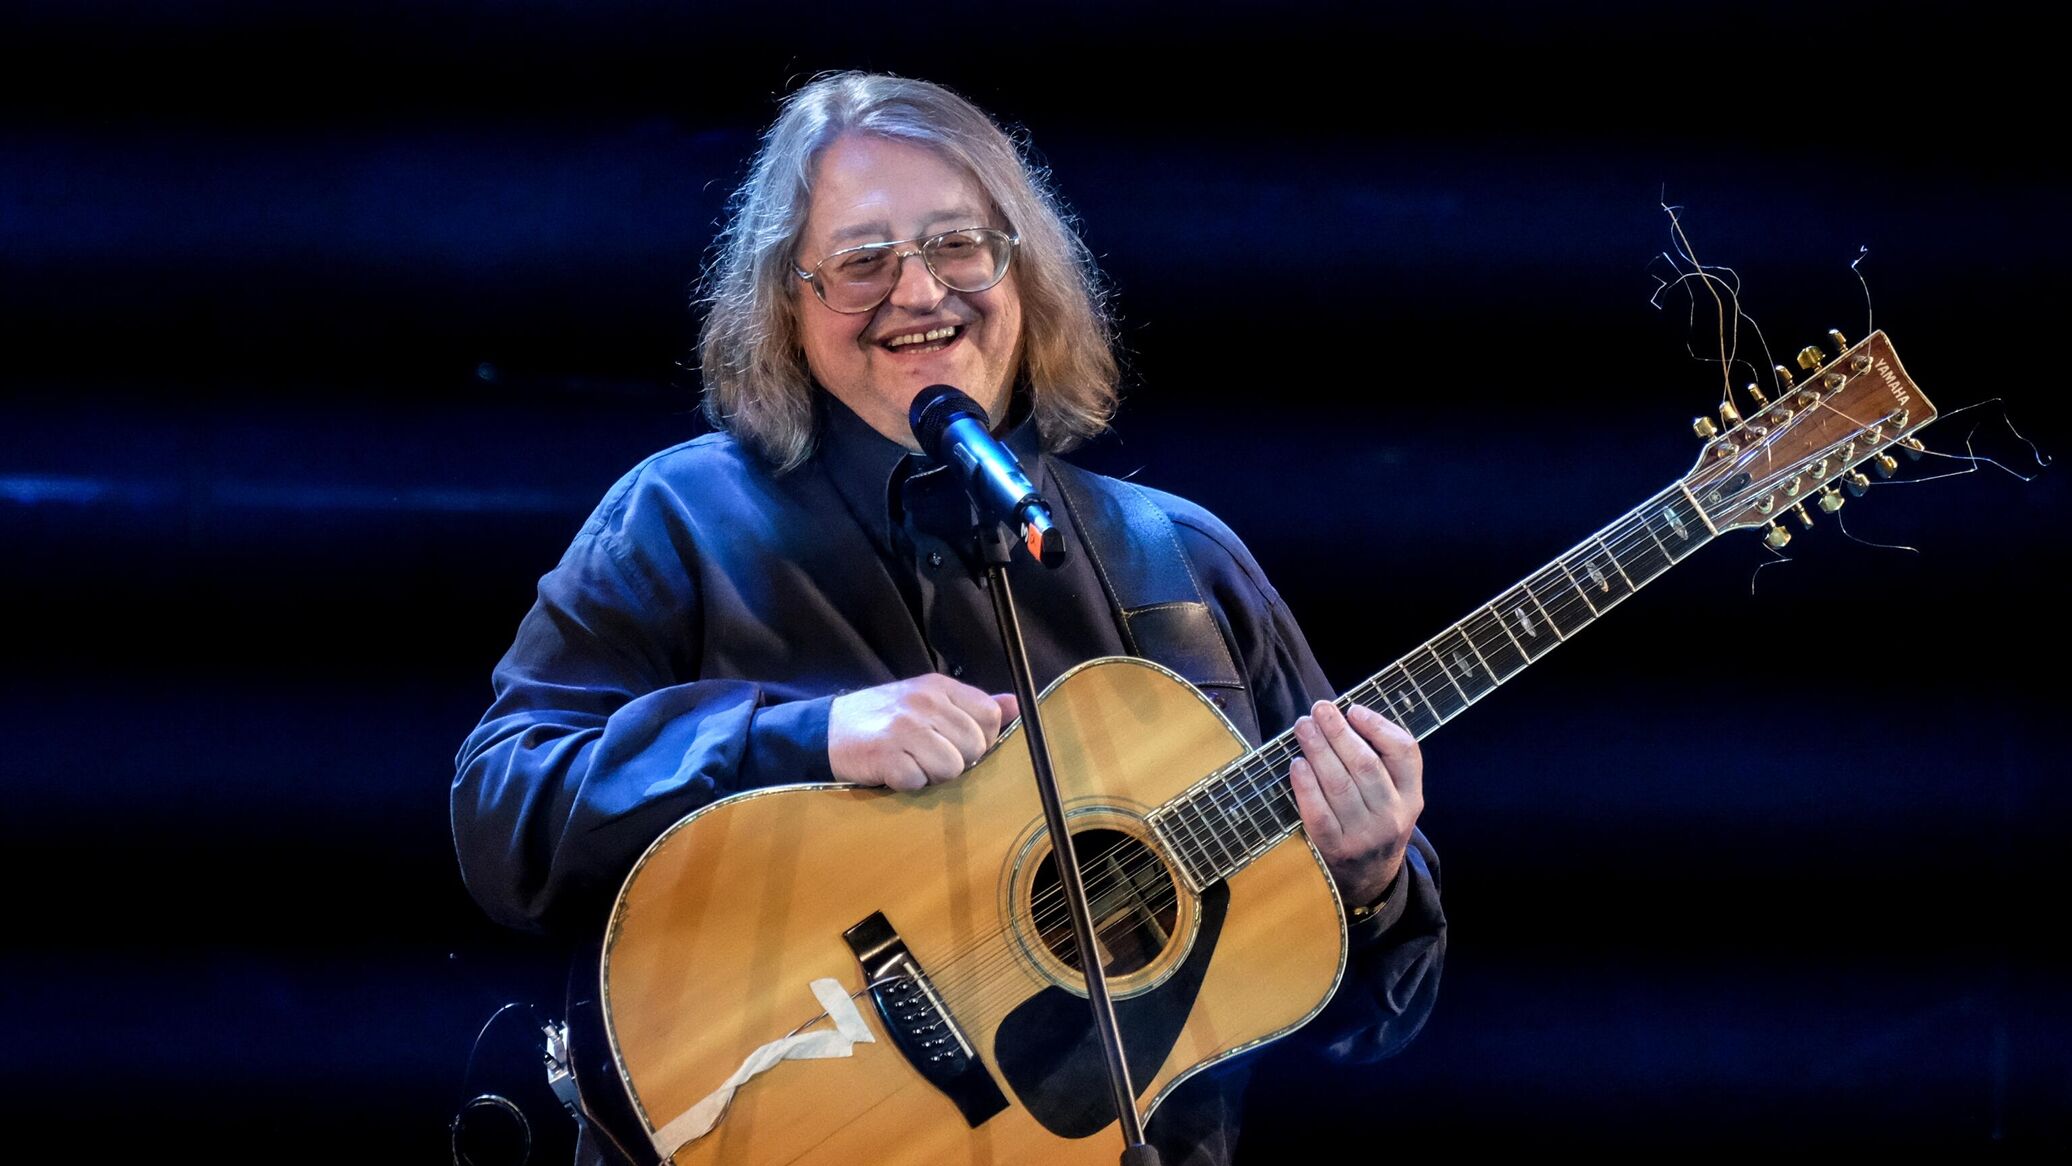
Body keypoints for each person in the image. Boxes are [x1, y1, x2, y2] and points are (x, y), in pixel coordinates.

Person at [451, 70, 1446, 1166]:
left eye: (958, 246)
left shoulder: (1179, 559)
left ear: (1023, 273)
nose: (919, 292)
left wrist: (1365, 883)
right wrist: (806, 738)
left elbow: (1357, 1032)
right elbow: (501, 812)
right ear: (789, 300)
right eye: (863, 262)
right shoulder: (680, 519)